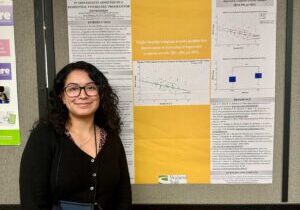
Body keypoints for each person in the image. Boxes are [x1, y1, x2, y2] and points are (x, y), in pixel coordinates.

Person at [19, 61, 132, 210]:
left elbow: (123, 198)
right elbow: (32, 200)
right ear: (62, 97)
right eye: (73, 89)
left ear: (100, 94)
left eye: (91, 88)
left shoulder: (111, 138)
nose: (83, 95)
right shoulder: (45, 135)